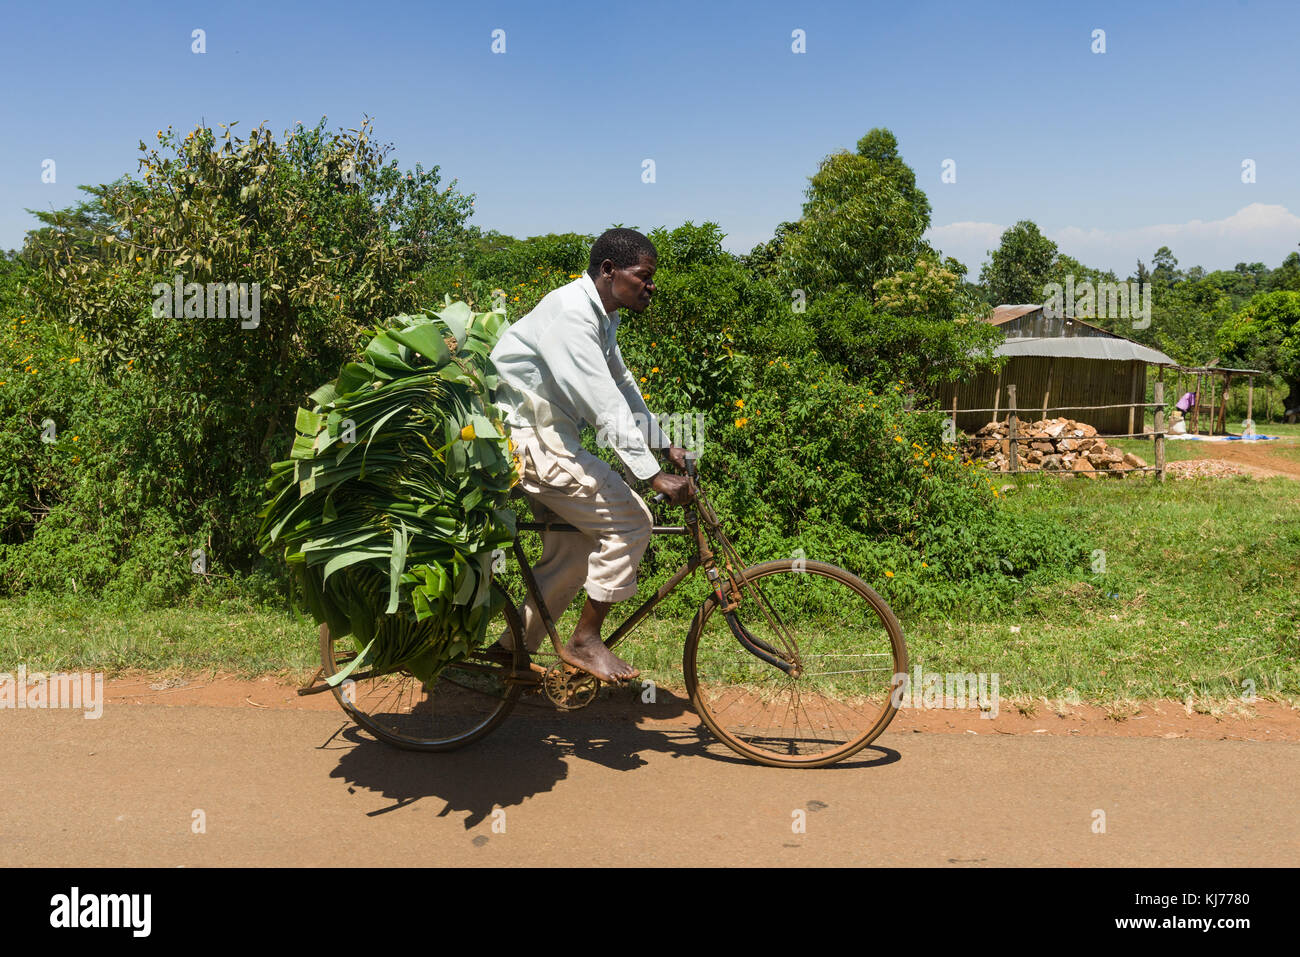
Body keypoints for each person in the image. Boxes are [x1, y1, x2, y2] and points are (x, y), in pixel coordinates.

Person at [487, 228, 694, 682]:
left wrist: (662, 443)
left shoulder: (600, 315)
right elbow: (601, 400)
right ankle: (584, 640)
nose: (651, 286)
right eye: (644, 276)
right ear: (609, 271)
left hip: (547, 439)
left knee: (577, 549)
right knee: (633, 521)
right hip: (529, 442)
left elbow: (623, 387)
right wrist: (652, 475)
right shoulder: (570, 315)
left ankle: (512, 651)